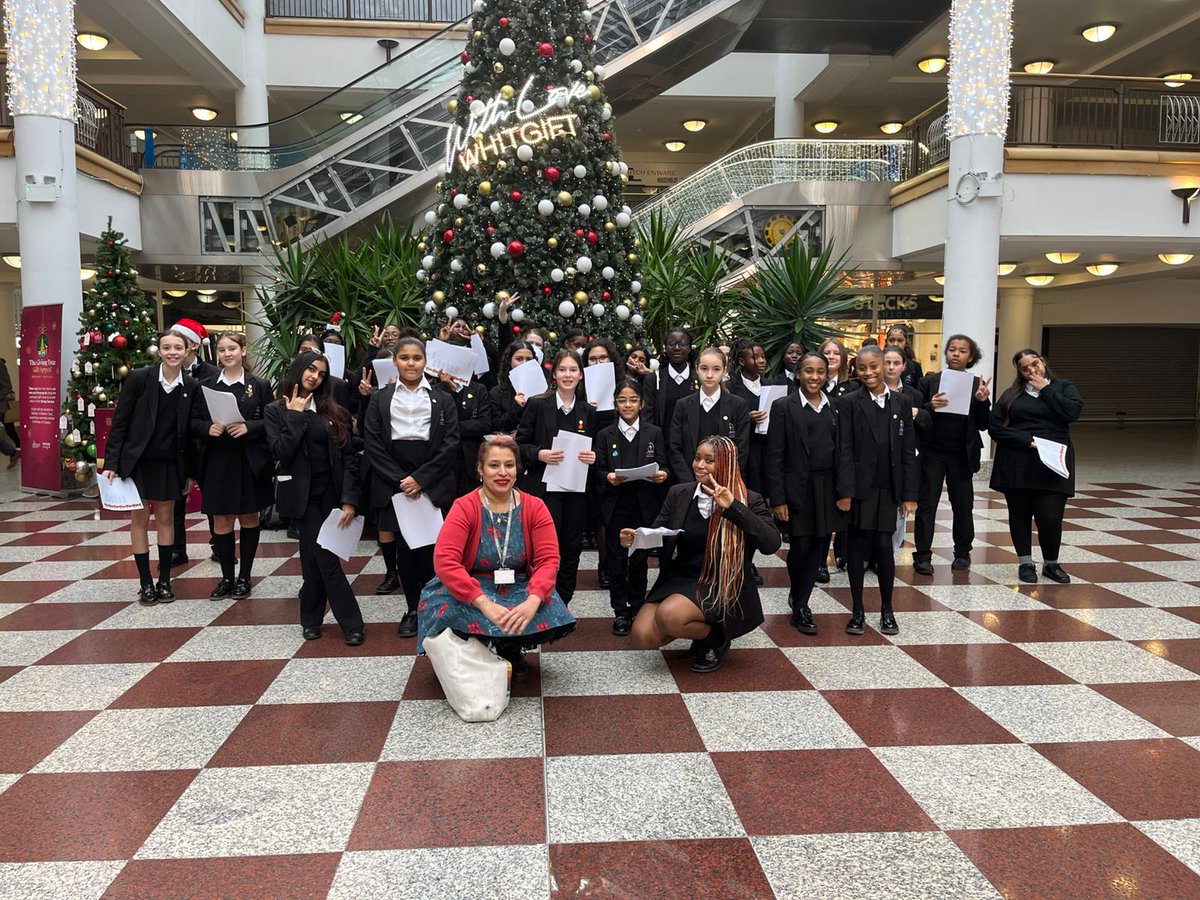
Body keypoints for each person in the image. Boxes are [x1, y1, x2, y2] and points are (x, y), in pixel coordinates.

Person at [620, 436, 780, 673]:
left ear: (726, 464)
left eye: (709, 460)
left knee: (669, 616)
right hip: (681, 577)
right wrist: (635, 538)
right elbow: (659, 531)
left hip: (722, 581)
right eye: (697, 458)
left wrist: (734, 507)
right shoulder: (679, 493)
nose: (699, 465)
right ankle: (702, 629)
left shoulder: (749, 499)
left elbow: (771, 543)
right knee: (643, 636)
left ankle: (716, 638)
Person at [417, 436, 576, 670]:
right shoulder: (464, 506)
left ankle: (508, 646)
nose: (503, 472)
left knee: (549, 605)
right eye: (494, 465)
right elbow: (445, 561)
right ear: (480, 469)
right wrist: (483, 603)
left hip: (518, 582)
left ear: (517, 469)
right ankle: (475, 646)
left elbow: (548, 560)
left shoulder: (535, 506)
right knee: (445, 607)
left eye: (509, 465)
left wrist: (532, 601)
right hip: (473, 584)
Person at [265, 350, 365, 645]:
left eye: (321, 373)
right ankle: (352, 623)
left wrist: (349, 499)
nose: (315, 376)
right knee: (327, 558)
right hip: (301, 497)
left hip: (331, 495)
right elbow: (281, 452)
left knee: (312, 560)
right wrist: (294, 416)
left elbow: (349, 459)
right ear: (297, 369)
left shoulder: (333, 411)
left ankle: (310, 619)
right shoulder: (276, 410)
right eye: (311, 369)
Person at [363, 337, 460, 636]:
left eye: (416, 358)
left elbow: (451, 442)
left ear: (425, 361)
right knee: (405, 550)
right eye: (404, 357)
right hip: (395, 477)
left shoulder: (442, 397)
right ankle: (412, 609)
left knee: (434, 548)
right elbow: (372, 442)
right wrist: (401, 480)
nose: (410, 363)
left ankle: (436, 608)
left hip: (431, 477)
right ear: (395, 361)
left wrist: (422, 479)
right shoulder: (380, 398)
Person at [101, 332, 197, 605]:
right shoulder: (139, 379)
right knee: (139, 518)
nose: (172, 352)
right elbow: (120, 422)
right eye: (167, 347)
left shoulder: (191, 385)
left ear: (188, 350)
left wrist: (191, 471)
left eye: (178, 347)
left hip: (170, 463)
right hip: (138, 462)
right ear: (160, 351)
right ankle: (145, 583)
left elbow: (191, 434)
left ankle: (164, 580)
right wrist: (111, 463)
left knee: (166, 517)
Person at [836, 345, 918, 636]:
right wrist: (844, 491)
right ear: (855, 369)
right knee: (856, 548)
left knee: (885, 548)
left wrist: (909, 495)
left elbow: (908, 451)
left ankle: (887, 609)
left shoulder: (901, 402)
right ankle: (857, 610)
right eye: (862, 367)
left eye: (874, 366)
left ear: (885, 366)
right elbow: (843, 450)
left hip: (888, 487)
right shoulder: (848, 402)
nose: (868, 373)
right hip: (859, 489)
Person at [767, 352, 851, 635]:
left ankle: (801, 604)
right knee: (800, 547)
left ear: (826, 375)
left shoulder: (836, 407)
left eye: (819, 372)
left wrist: (844, 491)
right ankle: (796, 591)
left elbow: (843, 452)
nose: (814, 377)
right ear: (798, 374)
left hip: (827, 488)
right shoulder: (783, 407)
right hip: (797, 488)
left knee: (820, 545)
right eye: (808, 371)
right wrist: (777, 498)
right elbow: (775, 456)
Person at [190, 332, 273, 599]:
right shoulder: (205, 384)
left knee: (249, 517)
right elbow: (192, 421)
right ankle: (226, 577)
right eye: (222, 350)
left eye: (232, 349)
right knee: (221, 519)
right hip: (217, 460)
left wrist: (249, 426)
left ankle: (244, 577)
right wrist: (207, 428)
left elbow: (272, 421)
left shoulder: (258, 385)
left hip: (248, 459)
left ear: (243, 351)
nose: (227, 354)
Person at [989, 349, 1083, 584]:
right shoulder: (1012, 394)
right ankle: (1025, 563)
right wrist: (1026, 441)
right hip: (1018, 459)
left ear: (1043, 362)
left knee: (1050, 516)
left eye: (1035, 364)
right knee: (1019, 513)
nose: (1032, 370)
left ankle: (1051, 563)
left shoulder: (1062, 388)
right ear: (1019, 373)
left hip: (1053, 459)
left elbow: (1071, 413)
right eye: (1025, 368)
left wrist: (1045, 388)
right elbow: (995, 427)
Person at [516, 349, 597, 605]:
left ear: (581, 375)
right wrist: (539, 454)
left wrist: (593, 457)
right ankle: (539, 597)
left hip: (576, 491)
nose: (568, 375)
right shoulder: (538, 404)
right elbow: (519, 443)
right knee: (543, 547)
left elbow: (597, 449)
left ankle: (564, 599)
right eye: (562, 370)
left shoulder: (588, 410)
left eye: (573, 370)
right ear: (554, 375)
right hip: (545, 489)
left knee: (572, 547)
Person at [912, 334, 991, 576]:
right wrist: (929, 407)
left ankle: (962, 552)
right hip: (932, 452)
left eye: (962, 351)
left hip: (961, 454)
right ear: (946, 353)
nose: (956, 354)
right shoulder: (929, 382)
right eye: (952, 349)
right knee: (927, 504)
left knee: (963, 505)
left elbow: (984, 424)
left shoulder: (977, 383)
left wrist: (982, 401)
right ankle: (923, 556)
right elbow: (915, 415)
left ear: (970, 357)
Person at [595, 379, 669, 635]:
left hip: (645, 505)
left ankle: (637, 607)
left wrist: (662, 475)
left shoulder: (654, 433)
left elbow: (663, 462)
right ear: (615, 404)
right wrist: (608, 477)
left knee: (639, 559)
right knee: (616, 560)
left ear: (642, 404)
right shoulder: (605, 435)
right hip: (616, 506)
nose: (628, 405)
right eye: (622, 400)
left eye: (633, 400)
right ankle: (620, 611)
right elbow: (600, 469)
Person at [167, 318, 218, 566]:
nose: (174, 350)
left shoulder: (212, 374)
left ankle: (218, 544)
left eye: (180, 344)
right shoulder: (165, 372)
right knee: (176, 498)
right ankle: (177, 548)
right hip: (177, 446)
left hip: (206, 443)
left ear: (193, 347)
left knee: (212, 498)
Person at [667, 347, 750, 486]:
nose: (709, 375)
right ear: (696, 368)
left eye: (716, 369)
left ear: (724, 370)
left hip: (725, 484)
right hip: (689, 483)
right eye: (704, 368)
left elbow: (741, 449)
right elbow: (675, 447)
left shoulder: (738, 405)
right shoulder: (683, 405)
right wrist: (690, 482)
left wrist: (724, 480)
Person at [436, 318, 492, 496]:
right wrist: (449, 390)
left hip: (469, 464)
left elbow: (483, 424)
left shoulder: (478, 389)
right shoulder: (434, 389)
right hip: (440, 464)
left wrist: (450, 428)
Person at [583, 337, 623, 570]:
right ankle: (604, 565)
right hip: (591, 459)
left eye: (602, 358)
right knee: (600, 514)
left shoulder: (622, 384)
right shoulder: (580, 389)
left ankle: (620, 566)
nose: (598, 362)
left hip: (618, 454)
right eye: (592, 359)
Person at [642, 326, 698, 431]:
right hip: (663, 444)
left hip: (694, 445)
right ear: (665, 348)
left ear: (690, 348)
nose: (677, 348)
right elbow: (647, 418)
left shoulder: (699, 380)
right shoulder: (654, 380)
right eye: (672, 344)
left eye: (682, 344)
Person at [488, 340, 542, 434]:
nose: (525, 363)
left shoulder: (543, 391)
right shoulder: (496, 392)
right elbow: (496, 425)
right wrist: (516, 407)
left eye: (529, 359)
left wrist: (520, 433)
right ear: (509, 361)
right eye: (519, 359)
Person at [886, 324, 924, 389]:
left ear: (906, 343)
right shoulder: (878, 363)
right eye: (891, 340)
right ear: (886, 342)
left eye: (900, 340)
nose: (895, 344)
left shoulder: (914, 367)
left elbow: (919, 394)